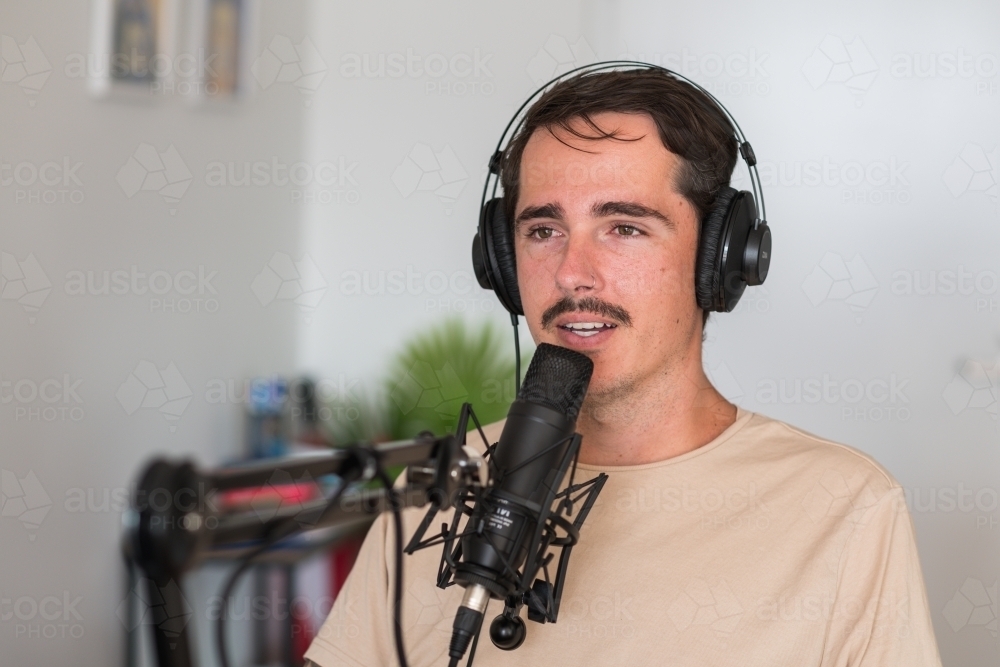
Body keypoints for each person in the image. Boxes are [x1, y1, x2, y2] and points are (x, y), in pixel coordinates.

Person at [304, 67, 942, 666]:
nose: (572, 273)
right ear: (500, 260)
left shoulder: (844, 507)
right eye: (543, 230)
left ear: (718, 260)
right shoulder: (434, 493)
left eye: (624, 228)